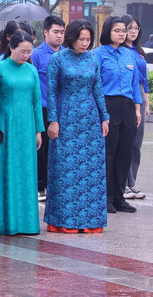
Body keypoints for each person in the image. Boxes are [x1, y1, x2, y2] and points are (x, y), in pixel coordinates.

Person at [44, 19, 109, 233]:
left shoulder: (93, 59)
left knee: (92, 170)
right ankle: (64, 221)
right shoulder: (58, 59)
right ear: (71, 38)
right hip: (66, 119)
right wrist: (53, 120)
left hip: (90, 120)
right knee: (65, 169)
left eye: (88, 39)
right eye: (81, 39)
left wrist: (104, 117)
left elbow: (98, 89)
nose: (85, 43)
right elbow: (51, 92)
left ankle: (91, 222)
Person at [0, 30, 44, 235]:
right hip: (6, 125)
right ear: (11, 47)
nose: (25, 55)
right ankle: (3, 220)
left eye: (29, 51)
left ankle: (27, 223)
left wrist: (39, 130)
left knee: (27, 171)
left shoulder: (31, 70)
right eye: (22, 51)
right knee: (6, 169)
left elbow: (37, 101)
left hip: (27, 126)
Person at [94, 15, 143, 215]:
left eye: (124, 30)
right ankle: (105, 197)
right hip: (108, 104)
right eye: (118, 30)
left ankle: (119, 197)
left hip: (128, 106)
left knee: (125, 152)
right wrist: (102, 112)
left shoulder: (128, 54)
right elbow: (96, 84)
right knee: (109, 152)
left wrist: (138, 110)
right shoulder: (98, 54)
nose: (122, 34)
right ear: (108, 32)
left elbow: (135, 84)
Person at [31, 15, 65, 201]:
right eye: (55, 32)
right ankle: (40, 185)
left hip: (63, 108)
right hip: (43, 107)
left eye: (62, 32)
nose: (59, 36)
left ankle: (57, 184)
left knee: (60, 148)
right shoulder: (36, 55)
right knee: (42, 147)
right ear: (45, 32)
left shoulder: (67, 54)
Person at [123, 15, 149, 201]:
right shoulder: (121, 51)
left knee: (136, 143)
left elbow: (144, 79)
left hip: (140, 95)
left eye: (136, 28)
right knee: (126, 140)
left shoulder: (139, 51)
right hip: (126, 94)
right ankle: (123, 183)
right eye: (129, 28)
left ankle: (132, 182)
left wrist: (146, 101)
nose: (133, 32)